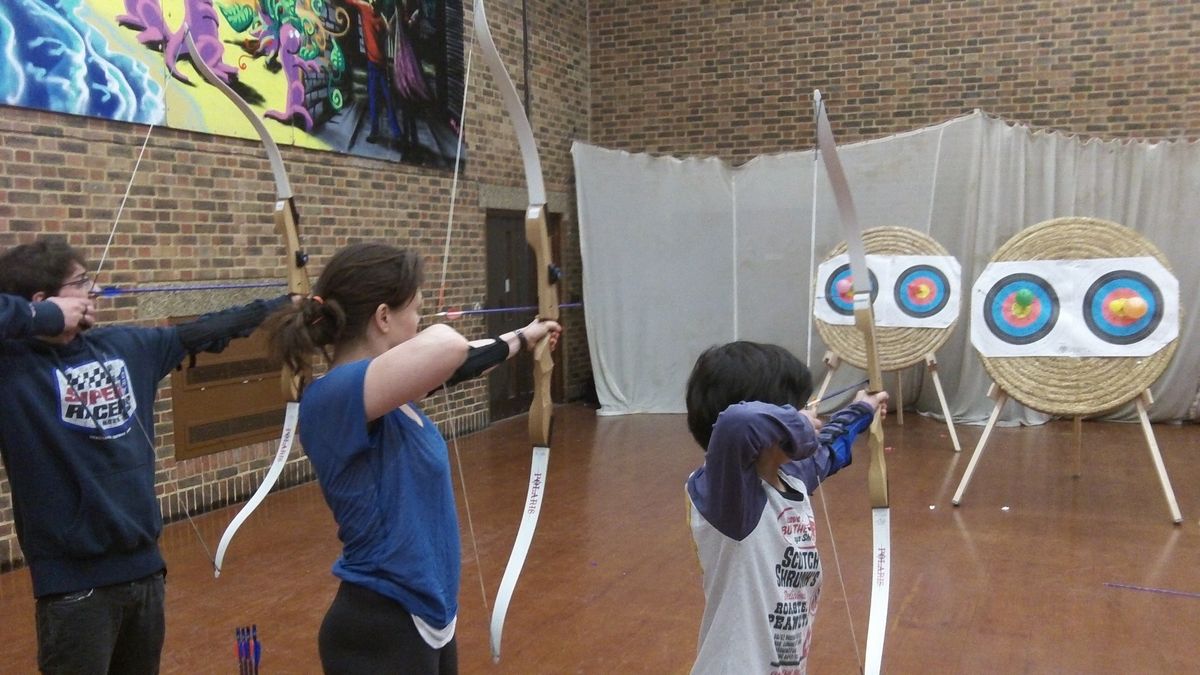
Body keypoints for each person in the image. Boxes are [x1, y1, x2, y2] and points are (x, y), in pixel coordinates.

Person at [0, 238, 294, 674]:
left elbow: (208, 330)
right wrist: (41, 318)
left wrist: (286, 307)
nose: (95, 290)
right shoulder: (13, 368)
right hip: (74, 588)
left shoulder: (124, 345)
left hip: (145, 575)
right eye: (81, 283)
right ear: (43, 301)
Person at [267, 241, 561, 674]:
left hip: (426, 618)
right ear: (383, 317)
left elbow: (461, 362)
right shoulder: (331, 397)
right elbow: (447, 349)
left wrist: (523, 336)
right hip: (380, 627)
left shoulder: (388, 397)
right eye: (417, 310)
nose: (422, 320)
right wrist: (449, 336)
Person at [683, 341, 888, 674]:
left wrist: (862, 410)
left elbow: (828, 449)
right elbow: (738, 423)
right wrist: (798, 426)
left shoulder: (788, 478)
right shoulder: (731, 499)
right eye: (797, 411)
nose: (810, 417)